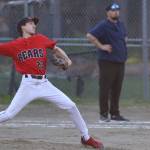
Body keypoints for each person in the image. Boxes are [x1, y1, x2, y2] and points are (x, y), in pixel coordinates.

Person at [0, 17, 104, 149]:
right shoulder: (14, 45)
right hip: (28, 84)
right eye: (31, 23)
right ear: (22, 27)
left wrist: (67, 59)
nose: (34, 26)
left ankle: (86, 137)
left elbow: (56, 49)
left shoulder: (40, 38)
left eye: (34, 24)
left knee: (71, 106)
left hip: (44, 83)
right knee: (9, 114)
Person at [86, 3, 129, 122]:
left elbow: (124, 38)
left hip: (120, 61)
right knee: (105, 88)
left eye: (117, 10)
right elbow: (89, 36)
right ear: (108, 12)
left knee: (117, 88)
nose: (116, 12)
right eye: (113, 10)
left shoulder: (121, 25)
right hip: (107, 61)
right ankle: (103, 115)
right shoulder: (104, 25)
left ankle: (115, 114)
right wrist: (101, 46)